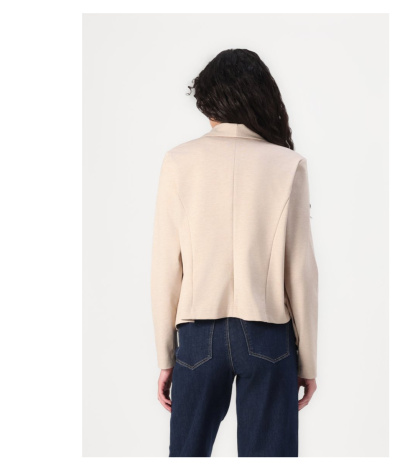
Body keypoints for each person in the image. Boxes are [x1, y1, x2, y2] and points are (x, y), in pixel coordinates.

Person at [151, 48, 319, 457]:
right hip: (268, 336)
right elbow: (301, 272)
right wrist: (308, 362)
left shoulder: (179, 161)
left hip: (198, 338)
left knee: (186, 457)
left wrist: (165, 356)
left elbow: (165, 268)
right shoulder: (288, 164)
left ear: (211, 102)